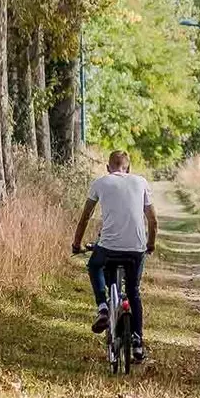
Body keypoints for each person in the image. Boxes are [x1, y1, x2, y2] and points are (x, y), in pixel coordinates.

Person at [71, 150, 157, 363]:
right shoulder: (141, 182)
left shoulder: (100, 183)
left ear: (108, 167)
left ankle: (102, 307)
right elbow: (153, 220)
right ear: (127, 168)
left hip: (108, 247)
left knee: (94, 266)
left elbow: (85, 218)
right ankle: (137, 342)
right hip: (136, 249)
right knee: (134, 291)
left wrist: (76, 244)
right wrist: (150, 244)